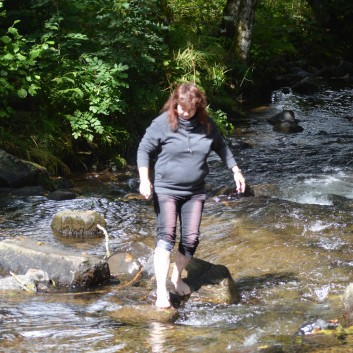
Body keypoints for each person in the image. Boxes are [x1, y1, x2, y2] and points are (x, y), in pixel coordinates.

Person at [137, 83, 245, 308]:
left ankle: (176, 277)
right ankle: (161, 292)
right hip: (166, 189)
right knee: (166, 236)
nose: (184, 113)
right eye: (180, 108)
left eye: (190, 110)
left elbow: (222, 147)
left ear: (199, 107)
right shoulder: (162, 123)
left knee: (191, 238)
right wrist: (145, 179)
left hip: (194, 191)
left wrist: (236, 171)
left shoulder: (206, 125)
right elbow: (144, 149)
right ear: (175, 103)